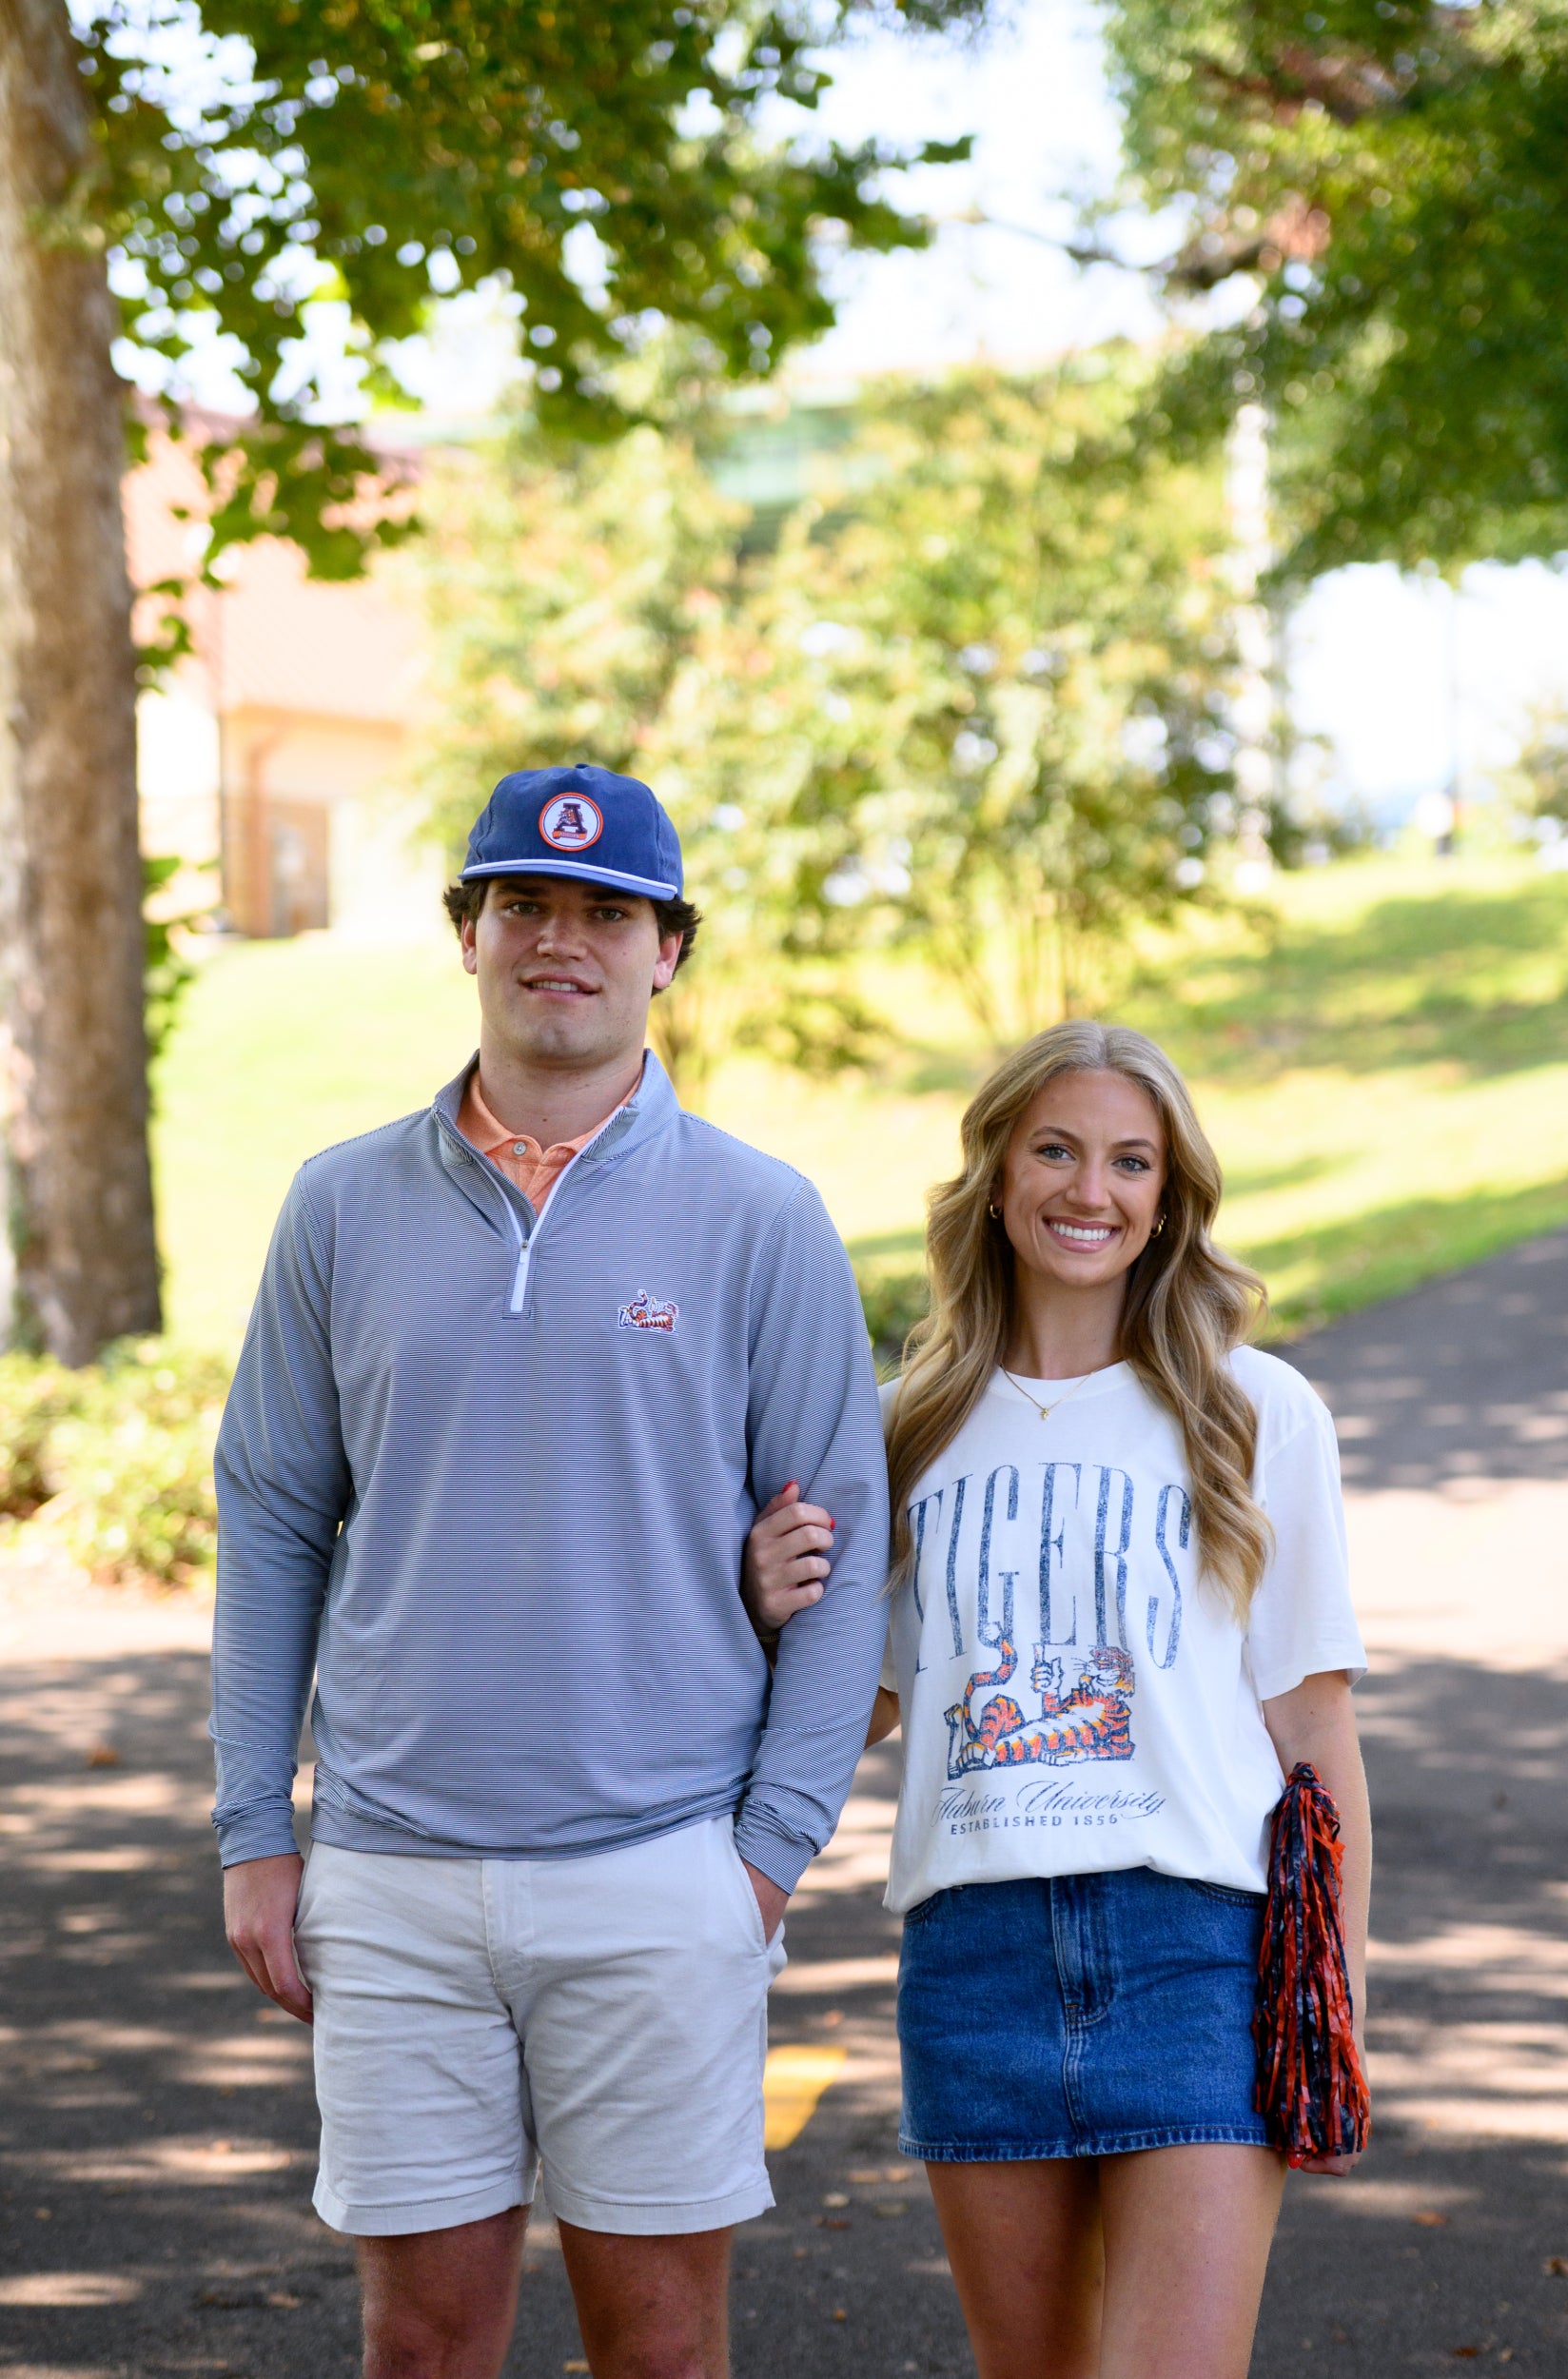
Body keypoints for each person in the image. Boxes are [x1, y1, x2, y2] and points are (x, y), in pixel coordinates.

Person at [211, 762, 890, 2379]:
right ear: (469, 934)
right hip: (393, 1875)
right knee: (421, 2347)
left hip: (661, 1868)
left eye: (606, 913)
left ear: (669, 951)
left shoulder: (760, 1216)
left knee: (660, 2352)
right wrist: (254, 1831)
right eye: (523, 904)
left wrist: (766, 1859)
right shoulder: (338, 1206)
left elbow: (847, 1548)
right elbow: (274, 1518)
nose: (560, 941)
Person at [744, 1019, 1370, 2379]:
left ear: (1169, 1197)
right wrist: (766, 1606)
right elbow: (866, 1705)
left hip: (1197, 1953)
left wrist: (1339, 1995)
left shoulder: (1255, 1411)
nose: (1093, 1190)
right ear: (996, 1174)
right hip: (974, 1964)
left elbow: (1315, 1725)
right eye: (1057, 1151)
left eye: (1131, 1161)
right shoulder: (900, 1427)